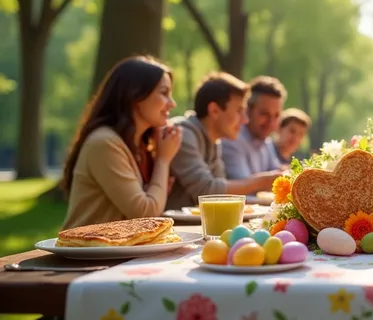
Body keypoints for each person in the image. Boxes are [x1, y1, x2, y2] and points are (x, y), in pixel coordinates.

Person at [60, 56, 181, 230]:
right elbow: (145, 215)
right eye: (164, 93)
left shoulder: (141, 145)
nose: (172, 103)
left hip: (122, 251)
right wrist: (163, 160)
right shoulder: (104, 144)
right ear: (135, 95)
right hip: (90, 251)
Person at [166, 73, 283, 210]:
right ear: (214, 110)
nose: (245, 120)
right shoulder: (183, 134)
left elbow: (222, 194)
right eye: (239, 111)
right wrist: (263, 182)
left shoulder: (214, 141)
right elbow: (207, 192)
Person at [221, 75, 285, 180]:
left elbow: (277, 172)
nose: (271, 123)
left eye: (276, 116)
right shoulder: (232, 140)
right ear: (248, 110)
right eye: (265, 114)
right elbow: (242, 190)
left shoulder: (266, 141)